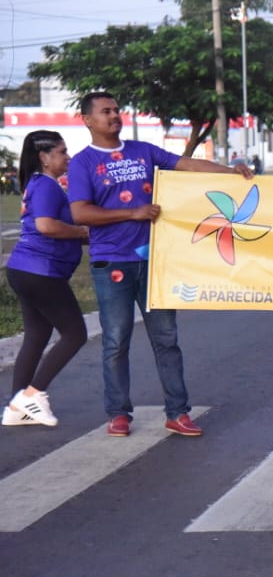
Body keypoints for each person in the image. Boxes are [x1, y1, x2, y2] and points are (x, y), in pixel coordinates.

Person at [67, 92, 255, 438]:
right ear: (88, 120)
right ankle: (118, 413)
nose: (114, 116)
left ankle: (178, 411)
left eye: (116, 110)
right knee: (116, 340)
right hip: (112, 264)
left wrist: (231, 173)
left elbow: (187, 165)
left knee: (166, 339)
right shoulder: (82, 163)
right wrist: (132, 212)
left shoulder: (143, 151)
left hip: (157, 262)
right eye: (106, 112)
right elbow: (80, 213)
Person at [3, 131, 90, 427]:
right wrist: (81, 233)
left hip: (26, 269)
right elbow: (46, 226)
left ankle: (17, 406)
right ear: (44, 157)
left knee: (37, 335)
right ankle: (33, 394)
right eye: (62, 152)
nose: (67, 157)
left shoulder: (40, 184)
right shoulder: (47, 186)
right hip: (41, 271)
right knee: (75, 333)